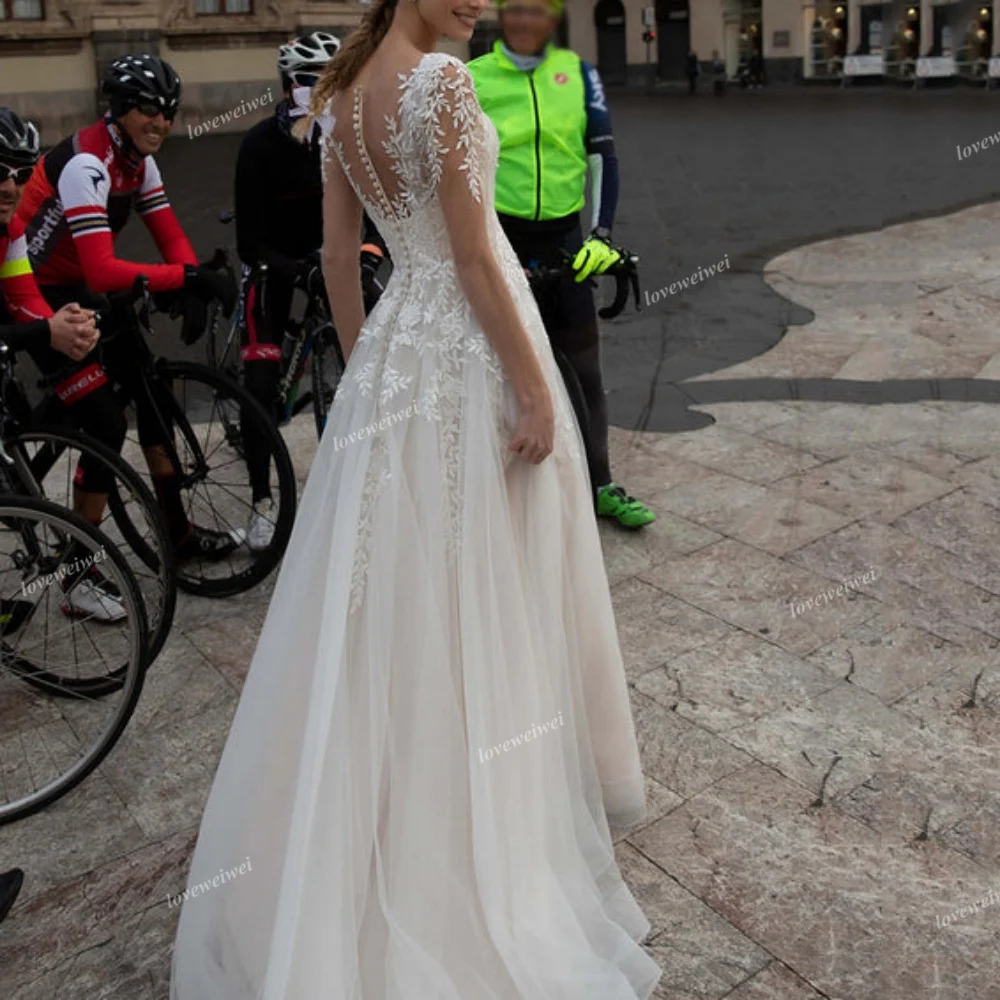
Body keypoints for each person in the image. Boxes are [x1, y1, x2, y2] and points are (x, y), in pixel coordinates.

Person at [168, 0, 660, 994]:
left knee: (399, 588)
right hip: (472, 343)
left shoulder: (340, 95)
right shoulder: (437, 83)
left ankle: (377, 808)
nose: (481, 1)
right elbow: (476, 256)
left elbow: (341, 251)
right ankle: (479, 825)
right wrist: (531, 383)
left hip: (400, 348)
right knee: (488, 578)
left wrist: (367, 365)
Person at [16, 54, 241, 563]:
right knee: (105, 424)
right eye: (148, 110)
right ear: (118, 110)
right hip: (35, 293)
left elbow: (170, 234)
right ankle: (76, 569)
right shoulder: (86, 164)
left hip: (76, 285)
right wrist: (186, 276)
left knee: (149, 387)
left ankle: (176, 533)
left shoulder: (139, 161)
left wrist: (188, 282)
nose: (161, 123)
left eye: (170, 112)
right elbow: (102, 272)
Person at [467, 0, 655, 528]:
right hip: (501, 239)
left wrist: (601, 235)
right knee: (503, 374)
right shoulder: (472, 76)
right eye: (517, 10)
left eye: (539, 11)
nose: (527, 21)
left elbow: (603, 155)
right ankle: (507, 502)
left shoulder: (578, 75)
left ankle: (601, 486)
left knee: (586, 372)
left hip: (566, 240)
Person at [235, 30, 388, 550]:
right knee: (259, 387)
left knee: (376, 366)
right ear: (285, 86)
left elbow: (376, 213)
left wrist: (368, 253)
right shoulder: (258, 145)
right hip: (275, 265)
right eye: (307, 80)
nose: (320, 89)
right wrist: (296, 271)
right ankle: (261, 499)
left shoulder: (348, 135)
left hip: (336, 260)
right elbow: (248, 243)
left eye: (332, 79)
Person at [0, 108, 129, 621]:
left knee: (101, 419)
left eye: (22, 173)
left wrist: (64, 326)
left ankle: (72, 571)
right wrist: (44, 330)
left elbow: (22, 298)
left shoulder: (9, 230)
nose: (11, 186)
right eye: (0, 171)